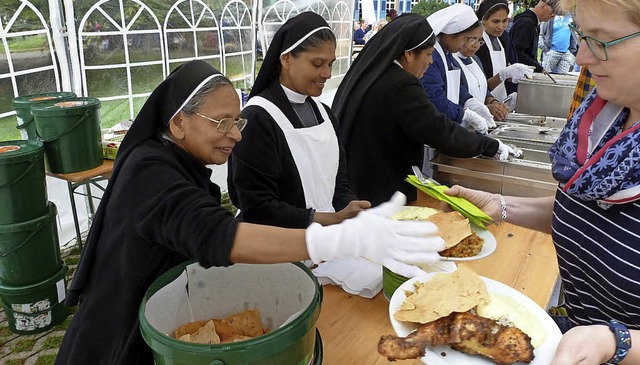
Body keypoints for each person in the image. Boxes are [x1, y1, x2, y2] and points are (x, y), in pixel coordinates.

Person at [55, 60, 446, 364]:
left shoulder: (180, 163)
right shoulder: (149, 171)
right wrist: (337, 238)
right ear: (177, 123)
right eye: (221, 122)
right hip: (118, 336)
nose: (237, 134)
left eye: (236, 120)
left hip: (164, 314)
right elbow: (218, 236)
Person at [443, 0, 640, 363]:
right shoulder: (606, 118)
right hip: (571, 335)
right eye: (582, 36)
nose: (580, 57)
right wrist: (501, 206)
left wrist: (618, 343)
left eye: (601, 41)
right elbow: (585, 216)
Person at [332, 13, 516, 207]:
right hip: (380, 187)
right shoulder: (401, 84)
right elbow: (438, 130)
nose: (430, 62)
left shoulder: (378, 72)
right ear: (409, 54)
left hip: (360, 176)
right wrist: (489, 146)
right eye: (428, 54)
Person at [228, 12, 370, 229]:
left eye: (330, 64)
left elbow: (337, 184)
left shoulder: (325, 115)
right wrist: (329, 219)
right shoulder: (258, 118)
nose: (327, 74)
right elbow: (258, 207)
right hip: (277, 248)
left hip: (324, 240)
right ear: (286, 59)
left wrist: (352, 208)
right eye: (317, 64)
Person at [421, 4, 494, 134]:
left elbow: (454, 85)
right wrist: (464, 114)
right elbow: (434, 96)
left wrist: (469, 101)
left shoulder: (446, 53)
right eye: (466, 38)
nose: (466, 44)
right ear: (450, 35)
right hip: (432, 130)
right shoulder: (433, 55)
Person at [475, 0, 533, 104]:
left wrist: (514, 76)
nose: (501, 26)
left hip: (501, 101)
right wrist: (503, 74)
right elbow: (479, 86)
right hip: (484, 103)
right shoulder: (478, 44)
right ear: (483, 20)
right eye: (495, 21)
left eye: (505, 20)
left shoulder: (503, 38)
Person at [452, 20, 510, 121]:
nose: (476, 45)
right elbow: (459, 97)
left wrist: (493, 102)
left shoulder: (475, 59)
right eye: (472, 39)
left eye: (479, 40)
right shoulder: (452, 62)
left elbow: (484, 89)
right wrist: (485, 109)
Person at [509, 0, 560, 72]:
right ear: (543, 5)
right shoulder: (526, 23)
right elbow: (517, 52)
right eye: (553, 11)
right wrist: (538, 68)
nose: (553, 16)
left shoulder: (532, 23)